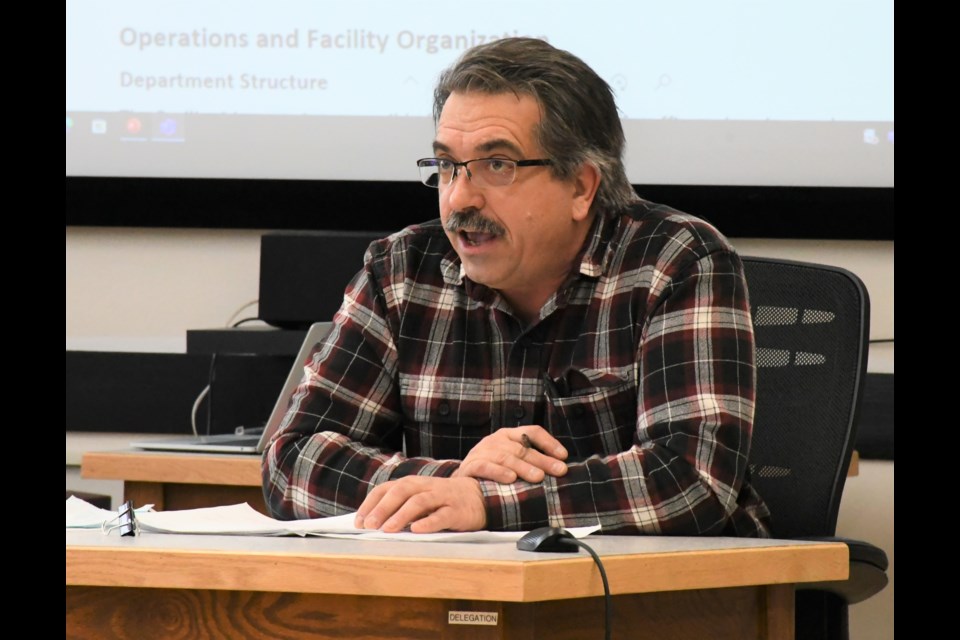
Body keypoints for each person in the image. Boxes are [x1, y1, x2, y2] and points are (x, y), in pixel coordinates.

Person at [262, 37, 770, 537]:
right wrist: (452, 483)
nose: (460, 198)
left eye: (497, 165)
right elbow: (292, 459)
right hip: (467, 593)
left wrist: (488, 501)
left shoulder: (676, 261)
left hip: (666, 604)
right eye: (446, 166)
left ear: (581, 187)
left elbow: (691, 479)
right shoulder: (400, 271)